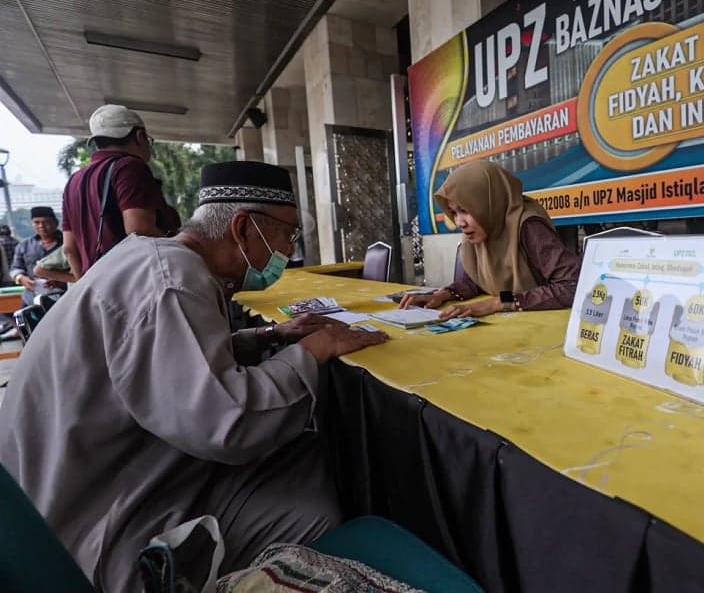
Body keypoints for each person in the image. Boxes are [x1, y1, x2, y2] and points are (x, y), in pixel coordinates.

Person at [0, 161, 388, 592]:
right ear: (242, 229)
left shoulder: (150, 259)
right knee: (309, 502)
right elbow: (231, 422)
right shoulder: (173, 282)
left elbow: (168, 360)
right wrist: (315, 350)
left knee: (303, 452)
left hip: (72, 495)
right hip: (100, 531)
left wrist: (267, 336)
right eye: (286, 235)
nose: (288, 251)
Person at [401, 160, 581, 317]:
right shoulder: (482, 230)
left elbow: (572, 286)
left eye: (465, 210)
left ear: (488, 202)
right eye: (454, 213)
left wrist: (499, 303)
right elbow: (475, 280)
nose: (459, 222)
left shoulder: (527, 226)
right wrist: (440, 295)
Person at [62, 104, 181, 279]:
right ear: (140, 137)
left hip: (97, 286)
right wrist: (182, 250)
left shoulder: (74, 180)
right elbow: (139, 228)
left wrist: (85, 285)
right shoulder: (129, 166)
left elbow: (69, 249)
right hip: (135, 283)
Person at [9, 206, 65, 307]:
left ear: (56, 222)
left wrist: (62, 280)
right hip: (31, 298)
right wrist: (21, 278)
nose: (41, 226)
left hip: (64, 296)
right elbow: (15, 268)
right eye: (37, 222)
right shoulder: (24, 245)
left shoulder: (67, 244)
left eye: (46, 222)